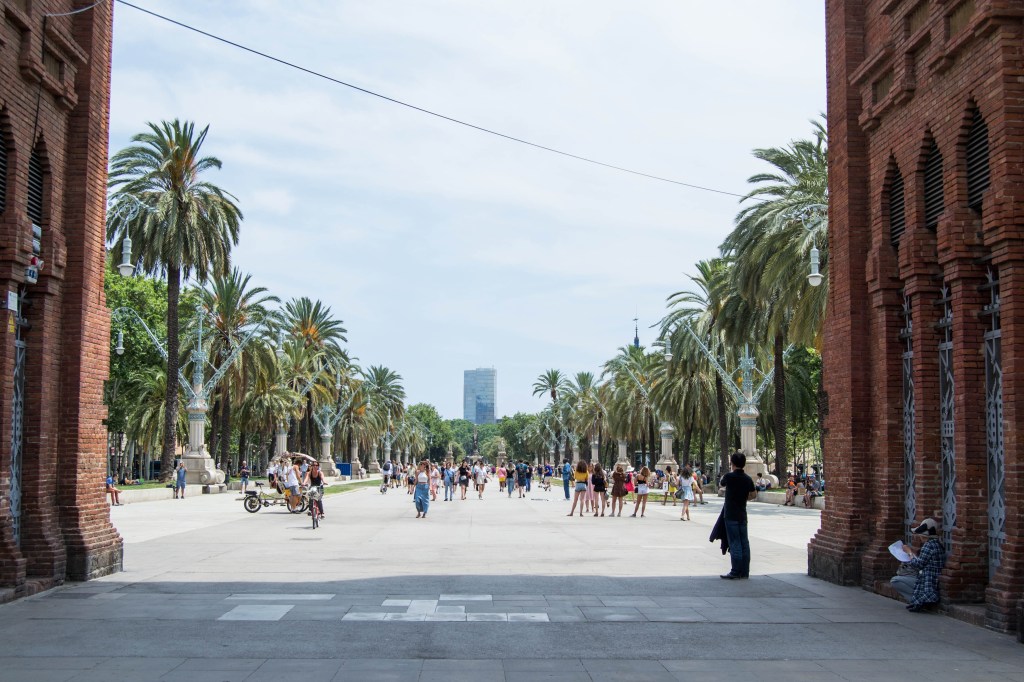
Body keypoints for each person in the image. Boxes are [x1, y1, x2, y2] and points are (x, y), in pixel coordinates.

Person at [890, 518, 946, 612]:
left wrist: (909, 553)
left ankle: (919, 600)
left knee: (895, 580)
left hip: (928, 579)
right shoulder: (937, 544)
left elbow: (918, 564)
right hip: (933, 577)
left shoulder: (928, 545)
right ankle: (919, 600)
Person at [720, 452, 756, 579]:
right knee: (744, 543)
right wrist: (744, 497)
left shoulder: (729, 476)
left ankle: (735, 571)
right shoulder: (747, 478)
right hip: (742, 514)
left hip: (730, 514)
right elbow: (753, 495)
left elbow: (721, 483)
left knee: (734, 542)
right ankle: (745, 571)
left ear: (732, 464)